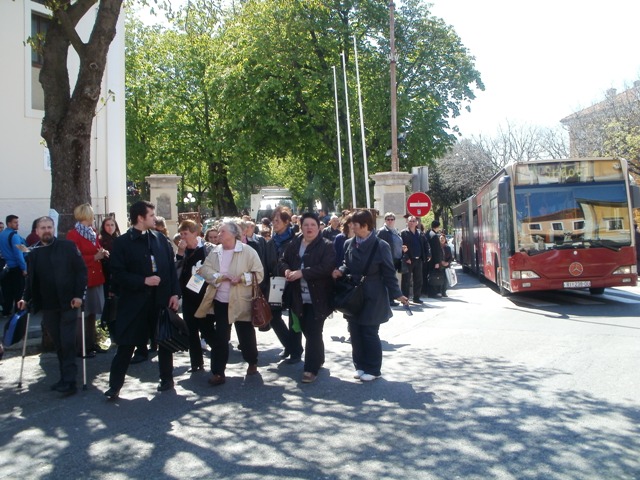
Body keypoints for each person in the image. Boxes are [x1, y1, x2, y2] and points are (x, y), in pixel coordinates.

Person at [104, 201, 180, 399]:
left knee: (164, 341)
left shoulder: (160, 239)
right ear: (140, 218)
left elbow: (171, 269)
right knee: (126, 345)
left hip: (160, 300)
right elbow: (118, 274)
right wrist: (143, 281)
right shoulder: (122, 243)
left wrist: (174, 293)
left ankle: (167, 379)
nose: (155, 218)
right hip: (134, 302)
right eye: (152, 215)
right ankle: (114, 386)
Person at [333, 209, 408, 382]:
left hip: (373, 295)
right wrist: (341, 271)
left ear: (365, 226)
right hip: (353, 294)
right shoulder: (349, 244)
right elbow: (346, 264)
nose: (351, 226)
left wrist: (398, 294)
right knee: (355, 331)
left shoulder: (381, 246)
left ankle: (373, 369)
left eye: (354, 223)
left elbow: (389, 273)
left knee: (369, 332)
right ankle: (359, 365)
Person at [17, 216, 88, 396]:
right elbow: (31, 281)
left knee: (67, 342)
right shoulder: (34, 253)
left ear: (53, 228)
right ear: (37, 231)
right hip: (48, 306)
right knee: (58, 343)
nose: (47, 230)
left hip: (69, 303)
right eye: (43, 228)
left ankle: (70, 382)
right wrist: (25, 298)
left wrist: (79, 295)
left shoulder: (67, 247)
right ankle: (64, 378)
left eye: (49, 227)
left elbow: (81, 272)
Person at [195, 219, 264, 386]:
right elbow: (204, 269)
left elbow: (259, 274)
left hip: (242, 301)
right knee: (221, 337)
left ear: (234, 234)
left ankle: (252, 361)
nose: (219, 234)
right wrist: (219, 277)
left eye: (222, 231)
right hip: (220, 301)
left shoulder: (247, 251)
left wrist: (241, 279)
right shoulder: (215, 251)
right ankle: (218, 372)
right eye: (219, 232)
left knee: (245, 334)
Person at [279, 212, 336, 383]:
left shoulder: (327, 245)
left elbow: (326, 267)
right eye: (306, 225)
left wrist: (302, 273)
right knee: (307, 330)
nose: (309, 228)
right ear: (301, 227)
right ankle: (318, 358)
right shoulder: (294, 243)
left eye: (313, 225)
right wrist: (286, 271)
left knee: (313, 331)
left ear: (319, 227)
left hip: (318, 297)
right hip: (298, 297)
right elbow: (282, 260)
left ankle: (310, 369)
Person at [66, 204, 108, 357]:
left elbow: (95, 248)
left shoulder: (92, 232)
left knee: (92, 314)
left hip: (96, 277)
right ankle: (81, 347)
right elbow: (73, 259)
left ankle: (91, 343)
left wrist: (102, 252)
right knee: (81, 316)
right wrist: (94, 258)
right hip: (84, 279)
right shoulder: (74, 235)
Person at [175, 219, 215, 373]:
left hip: (205, 296)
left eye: (185, 234)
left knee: (207, 329)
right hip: (188, 295)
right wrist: (179, 254)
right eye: (181, 234)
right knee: (191, 330)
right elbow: (176, 272)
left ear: (195, 233)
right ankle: (196, 363)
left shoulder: (207, 249)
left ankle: (218, 356)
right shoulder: (182, 250)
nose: (182, 237)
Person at [264, 207, 303, 363]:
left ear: (287, 222)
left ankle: (294, 352)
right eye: (273, 220)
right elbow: (266, 264)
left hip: (292, 282)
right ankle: (290, 346)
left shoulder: (296, 241)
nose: (274, 223)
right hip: (275, 283)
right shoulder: (269, 243)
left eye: (278, 220)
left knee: (294, 318)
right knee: (273, 316)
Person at [0, 215, 28, 317]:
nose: (17, 224)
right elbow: (18, 254)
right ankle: (18, 313)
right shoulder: (14, 236)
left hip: (5, 267)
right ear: (9, 223)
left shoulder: (2, 235)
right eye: (15, 222)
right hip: (16, 268)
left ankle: (6, 311)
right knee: (18, 292)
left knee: (7, 291)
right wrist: (24, 268)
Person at [377, 212, 404, 306]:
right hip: (388, 259)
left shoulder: (396, 231)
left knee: (393, 278)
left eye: (392, 219)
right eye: (388, 219)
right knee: (388, 279)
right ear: (385, 220)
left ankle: (391, 298)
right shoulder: (382, 231)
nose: (390, 221)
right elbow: (378, 245)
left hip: (397, 258)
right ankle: (388, 300)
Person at [400, 216, 428, 304]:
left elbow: (425, 244)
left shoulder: (420, 233)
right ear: (407, 222)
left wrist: (428, 254)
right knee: (406, 280)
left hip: (418, 259)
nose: (412, 222)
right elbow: (401, 246)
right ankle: (405, 299)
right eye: (410, 221)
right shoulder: (403, 233)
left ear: (416, 223)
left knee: (418, 279)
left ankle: (416, 297)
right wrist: (406, 257)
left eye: (413, 221)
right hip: (409, 260)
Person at [426, 220, 444, 298]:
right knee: (434, 276)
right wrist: (437, 262)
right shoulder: (434, 236)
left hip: (428, 259)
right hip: (433, 260)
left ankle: (429, 291)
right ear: (438, 227)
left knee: (430, 275)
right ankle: (433, 292)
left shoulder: (428, 234)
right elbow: (436, 250)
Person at [439, 233, 454, 297]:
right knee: (440, 279)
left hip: (446, 265)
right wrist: (441, 262)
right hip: (440, 265)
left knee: (445, 279)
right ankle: (439, 291)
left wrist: (448, 262)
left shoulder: (448, 247)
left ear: (445, 240)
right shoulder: (437, 247)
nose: (442, 239)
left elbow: (450, 257)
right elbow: (436, 256)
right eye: (441, 238)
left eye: (443, 238)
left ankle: (444, 292)